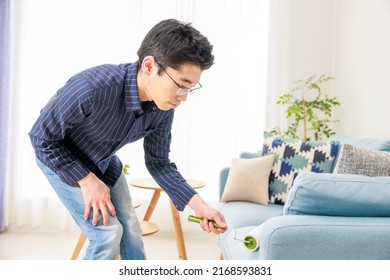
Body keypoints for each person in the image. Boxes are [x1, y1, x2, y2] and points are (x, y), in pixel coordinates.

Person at [28, 18, 226, 260]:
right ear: (150, 65)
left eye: (190, 88)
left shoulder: (164, 108)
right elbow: (41, 138)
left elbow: (159, 164)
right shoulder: (92, 87)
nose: (182, 97)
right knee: (107, 234)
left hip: (103, 160)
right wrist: (88, 180)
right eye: (181, 85)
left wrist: (201, 207)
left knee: (131, 228)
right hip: (60, 157)